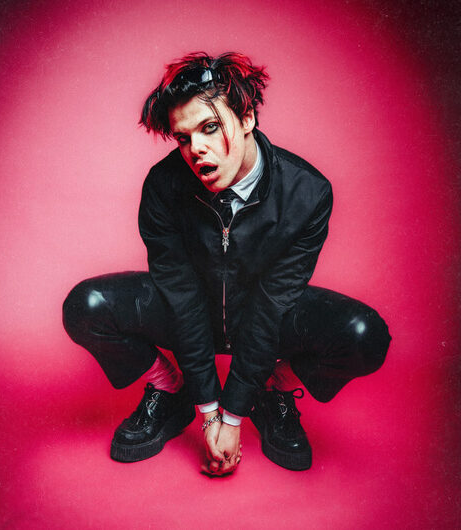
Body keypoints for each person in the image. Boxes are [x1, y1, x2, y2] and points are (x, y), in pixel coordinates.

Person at [63, 52, 391, 476]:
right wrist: (209, 413)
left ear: (247, 117)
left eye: (210, 128)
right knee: (85, 305)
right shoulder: (163, 185)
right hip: (189, 314)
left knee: (365, 335)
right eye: (183, 138)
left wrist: (233, 414)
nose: (196, 149)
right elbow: (182, 299)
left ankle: (273, 389)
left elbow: (273, 304)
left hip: (264, 317)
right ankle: (169, 389)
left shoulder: (307, 193)